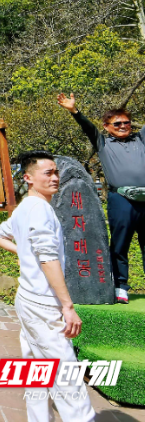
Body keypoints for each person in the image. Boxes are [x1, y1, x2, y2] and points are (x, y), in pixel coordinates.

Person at [0, 151, 96, 422]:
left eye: (56, 172)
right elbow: (48, 258)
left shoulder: (25, 207)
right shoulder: (38, 209)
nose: (55, 178)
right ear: (28, 178)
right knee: (66, 376)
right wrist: (67, 306)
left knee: (35, 369)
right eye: (48, 173)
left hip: (27, 298)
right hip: (42, 302)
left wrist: (24, 252)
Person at [57, 93, 145, 304]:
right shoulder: (103, 143)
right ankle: (121, 286)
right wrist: (74, 111)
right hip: (121, 198)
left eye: (126, 122)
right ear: (107, 126)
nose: (123, 126)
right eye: (117, 123)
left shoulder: (141, 140)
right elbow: (88, 128)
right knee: (120, 244)